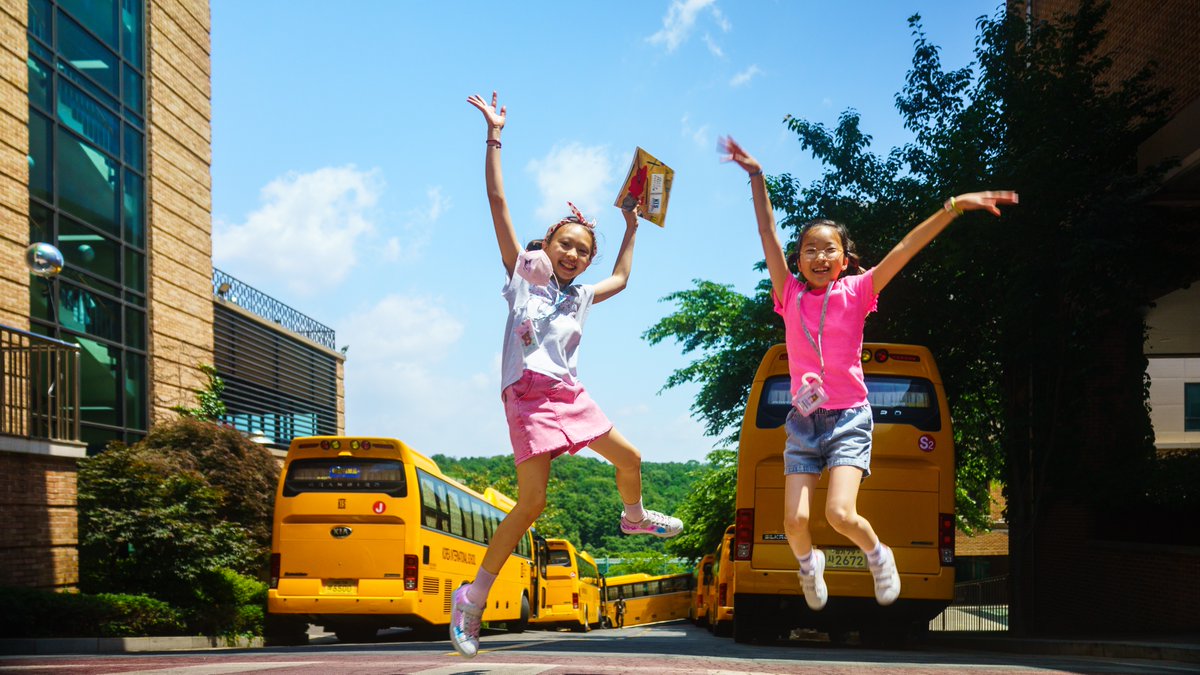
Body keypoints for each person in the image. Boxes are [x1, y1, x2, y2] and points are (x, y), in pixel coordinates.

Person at [719, 136, 1016, 612]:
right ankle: (808, 565)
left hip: (848, 418)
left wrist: (953, 207)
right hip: (803, 420)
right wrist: (757, 176)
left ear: (843, 258)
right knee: (794, 522)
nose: (818, 257)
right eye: (809, 250)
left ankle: (879, 556)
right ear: (797, 260)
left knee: (839, 513)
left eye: (828, 250)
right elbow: (766, 233)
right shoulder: (789, 295)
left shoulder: (857, 292)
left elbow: (905, 247)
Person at [449, 91, 683, 659]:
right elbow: (498, 202)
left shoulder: (580, 296)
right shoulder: (522, 278)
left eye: (583, 250)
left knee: (632, 460)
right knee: (531, 506)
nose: (575, 255)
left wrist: (630, 228)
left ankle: (633, 519)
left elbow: (622, 279)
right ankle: (471, 600)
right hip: (527, 397)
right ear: (547, 245)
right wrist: (494, 135)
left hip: (569, 394)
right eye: (566, 245)